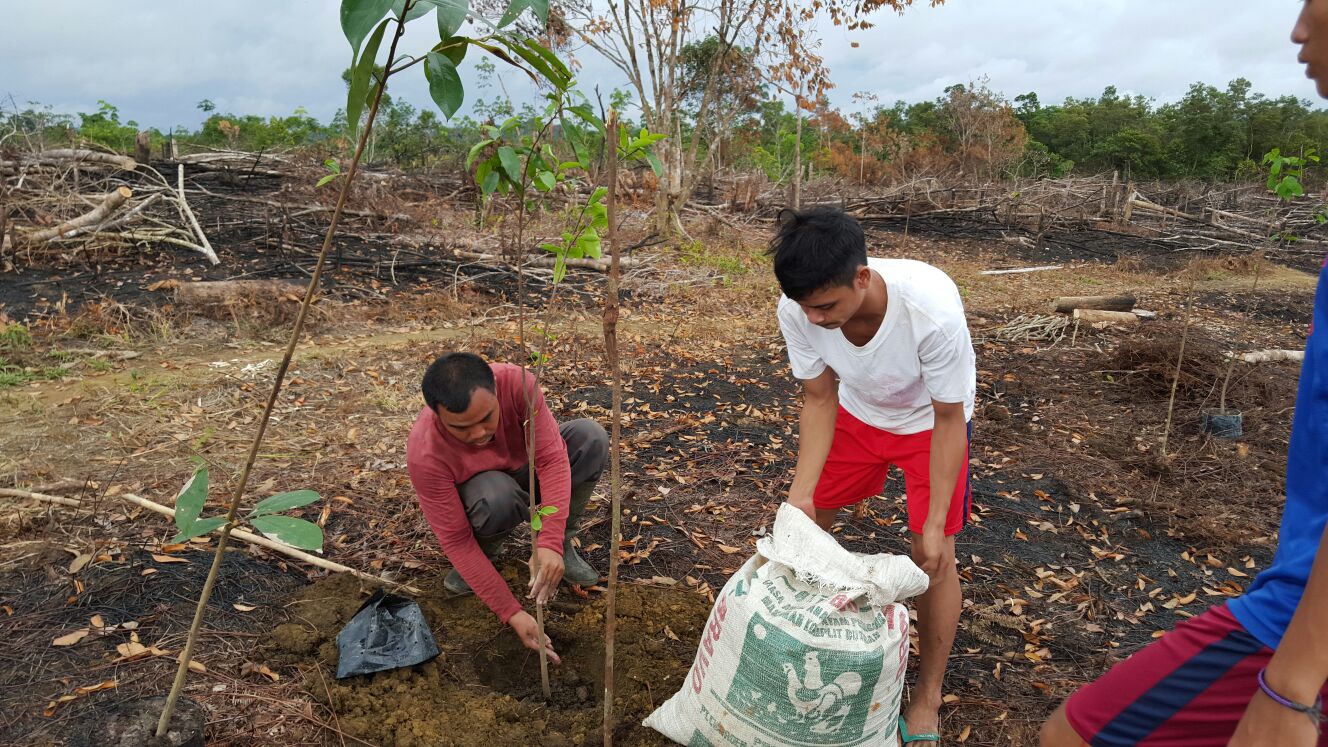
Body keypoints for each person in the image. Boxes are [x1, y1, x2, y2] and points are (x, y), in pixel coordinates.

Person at [1040, 6, 1328, 744]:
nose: (1296, 32)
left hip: (1298, 620)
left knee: (1071, 734)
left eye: (1310, 8)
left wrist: (1291, 685)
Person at [769, 206, 976, 744]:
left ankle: (927, 693)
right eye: (804, 308)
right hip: (857, 413)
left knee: (934, 556)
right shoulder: (800, 308)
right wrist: (800, 497)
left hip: (931, 424)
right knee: (808, 527)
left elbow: (950, 417)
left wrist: (933, 523)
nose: (813, 319)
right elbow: (818, 397)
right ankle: (800, 642)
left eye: (826, 307)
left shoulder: (929, 312)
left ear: (861, 278)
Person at [406, 352, 606, 662]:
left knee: (590, 437)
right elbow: (456, 540)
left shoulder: (518, 386)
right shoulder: (425, 452)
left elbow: (552, 460)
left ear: (497, 394)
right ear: (437, 416)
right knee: (495, 496)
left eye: (486, 418)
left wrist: (550, 541)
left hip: (529, 467)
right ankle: (485, 554)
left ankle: (563, 548)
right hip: (484, 492)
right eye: (461, 428)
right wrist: (511, 612)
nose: (478, 434)